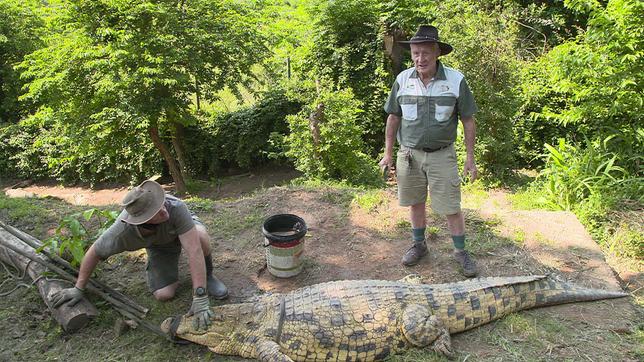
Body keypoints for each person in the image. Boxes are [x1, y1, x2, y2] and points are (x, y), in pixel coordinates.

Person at [49, 180, 228, 330]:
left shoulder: (175, 207)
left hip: (186, 231)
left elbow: (194, 250)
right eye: (156, 212)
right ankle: (168, 266)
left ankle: (209, 276)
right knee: (164, 294)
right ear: (142, 221)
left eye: (161, 204)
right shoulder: (121, 233)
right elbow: (93, 253)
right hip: (160, 246)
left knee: (201, 239)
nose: (164, 210)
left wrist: (200, 297)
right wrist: (79, 288)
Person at [379, 25, 479, 277]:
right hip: (409, 154)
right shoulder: (402, 79)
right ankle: (419, 245)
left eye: (425, 53)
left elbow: (468, 119)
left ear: (437, 53)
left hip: (443, 155)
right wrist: (388, 153)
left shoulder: (456, 80)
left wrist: (470, 158)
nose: (420, 59)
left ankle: (460, 251)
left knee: (451, 206)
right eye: (415, 53)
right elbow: (393, 117)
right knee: (415, 202)